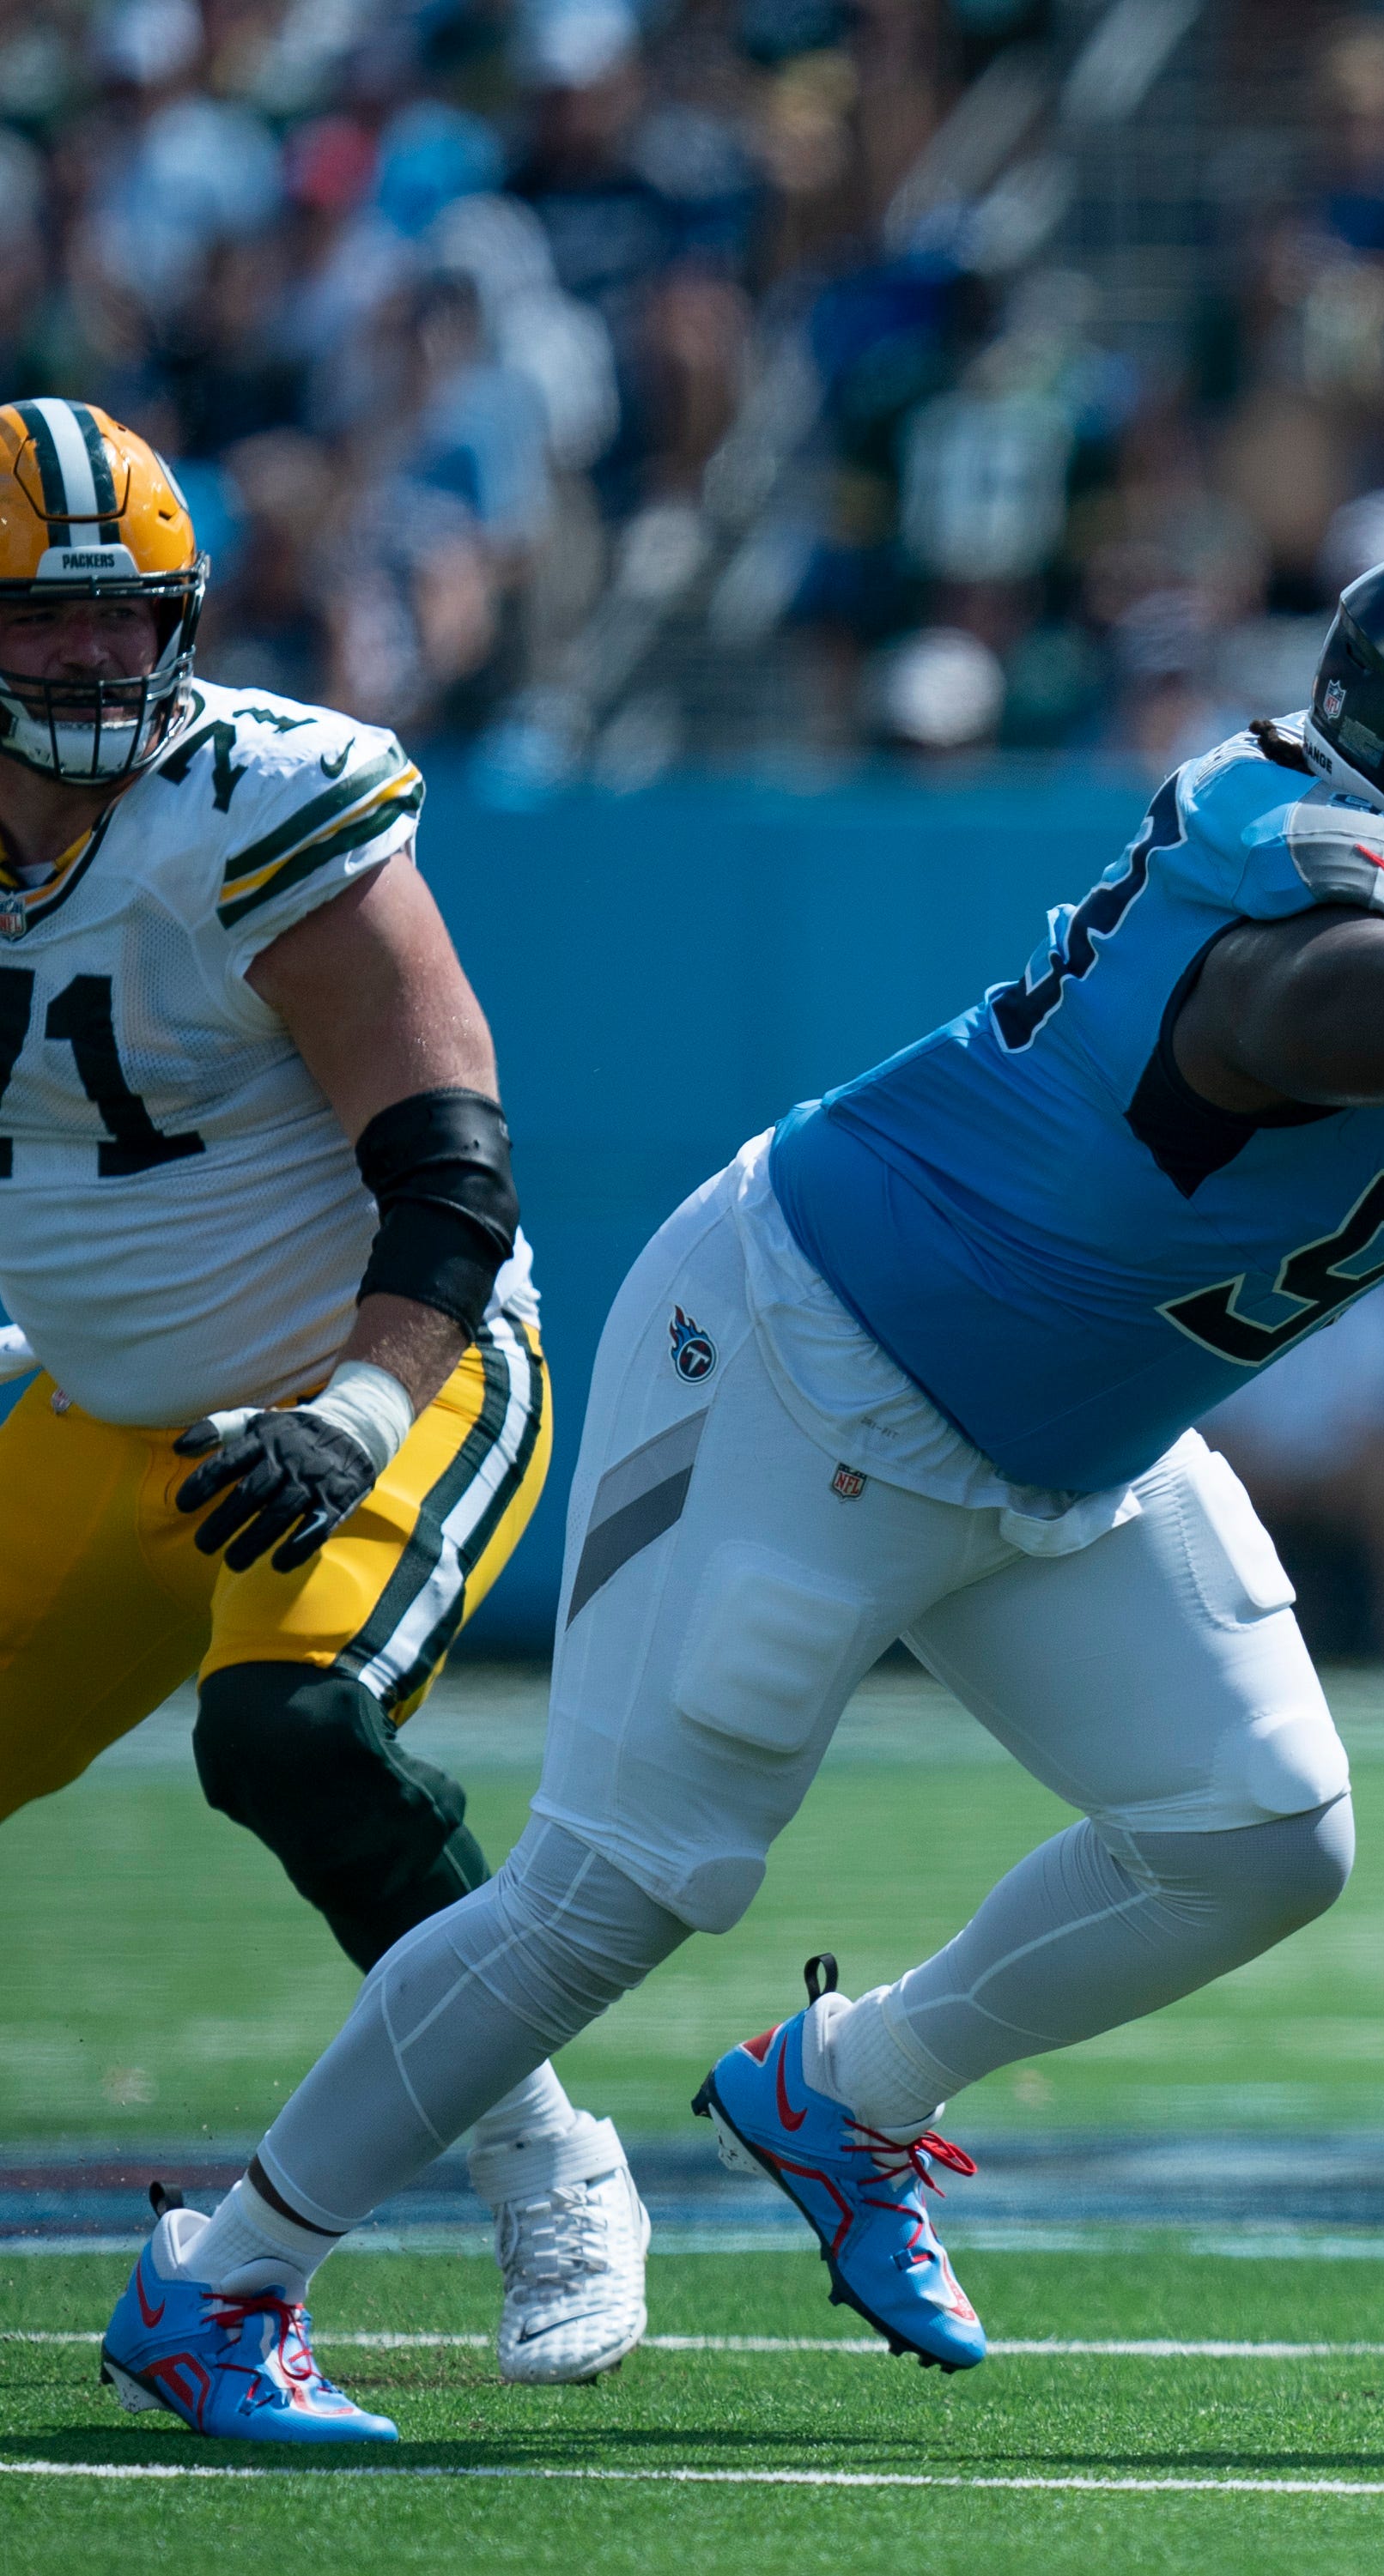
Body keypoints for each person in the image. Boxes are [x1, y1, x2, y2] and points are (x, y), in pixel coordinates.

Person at [95, 536, 1384, 2440]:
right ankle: (225, 2278)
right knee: (619, 1882)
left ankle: (844, 2091)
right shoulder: (1304, 871)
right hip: (817, 1354)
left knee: (1259, 1826)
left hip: (1058, 1433)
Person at [0, 399, 643, 2424]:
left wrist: (364, 1410)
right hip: (100, 1407)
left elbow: (449, 1159)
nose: (107, 663)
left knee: (286, 1728)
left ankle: (544, 2153)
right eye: (50, 621)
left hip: (374, 1360)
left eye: (136, 622)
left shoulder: (258, 797)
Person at [1201, 1265, 1384, 1659]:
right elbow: (1214, 1418)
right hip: (1243, 1459)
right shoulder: (1218, 1287)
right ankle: (1209, 1659)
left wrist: (1309, 1473)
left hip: (1340, 1468)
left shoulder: (1382, 1292)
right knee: (1199, 1470)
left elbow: (1375, 1415)